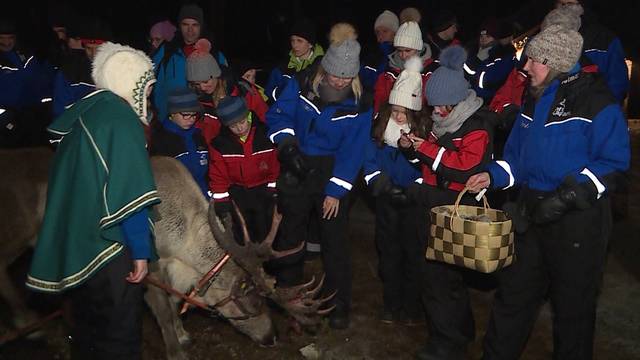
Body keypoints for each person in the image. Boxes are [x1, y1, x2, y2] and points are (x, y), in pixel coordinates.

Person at [466, 24, 630, 360]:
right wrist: (492, 176)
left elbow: (614, 164)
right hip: (530, 215)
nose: (525, 67)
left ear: (556, 62)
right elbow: (516, 158)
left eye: (534, 60)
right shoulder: (534, 97)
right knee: (512, 298)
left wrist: (567, 197)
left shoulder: (597, 101)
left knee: (573, 310)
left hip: (578, 222)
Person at [26, 42, 160, 359]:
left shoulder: (89, 114)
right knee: (120, 335)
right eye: (148, 88)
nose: (150, 98)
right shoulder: (122, 122)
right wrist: (140, 252)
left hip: (81, 247)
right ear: (132, 83)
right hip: (111, 249)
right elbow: (130, 192)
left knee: (87, 331)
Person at [267, 38, 372, 330]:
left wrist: (336, 191)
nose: (340, 81)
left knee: (334, 242)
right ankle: (288, 298)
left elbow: (354, 150)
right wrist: (287, 147)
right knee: (290, 236)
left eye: (347, 76)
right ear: (324, 69)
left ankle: (338, 305)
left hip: (332, 169)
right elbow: (278, 114)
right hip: (296, 163)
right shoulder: (301, 84)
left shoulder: (360, 102)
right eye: (335, 73)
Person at [398, 45, 493, 360]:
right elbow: (433, 164)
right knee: (446, 278)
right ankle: (459, 332)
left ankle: (447, 343)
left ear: (458, 101)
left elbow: (463, 167)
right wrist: (411, 149)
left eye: (443, 107)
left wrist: (424, 148)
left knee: (439, 279)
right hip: (437, 203)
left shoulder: (477, 125)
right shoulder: (446, 122)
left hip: (456, 207)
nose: (436, 112)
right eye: (434, 106)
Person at [363, 55, 427, 326]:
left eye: (405, 111)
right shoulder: (381, 130)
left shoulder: (424, 132)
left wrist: (415, 189)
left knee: (414, 255)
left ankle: (411, 307)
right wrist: (379, 183)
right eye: (395, 109)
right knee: (389, 254)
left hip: (413, 204)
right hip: (387, 202)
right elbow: (368, 160)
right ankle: (391, 304)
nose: (399, 116)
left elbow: (429, 169)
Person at [210, 96, 279, 242]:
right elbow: (218, 175)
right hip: (238, 194)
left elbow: (276, 167)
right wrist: (221, 200)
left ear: (248, 115)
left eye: (242, 122)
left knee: (266, 232)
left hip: (263, 193)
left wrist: (273, 190)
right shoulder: (220, 145)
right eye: (233, 126)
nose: (240, 128)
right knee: (241, 233)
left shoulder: (266, 137)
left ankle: (268, 263)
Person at [153, 3, 228, 122]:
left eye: (195, 25)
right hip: (168, 121)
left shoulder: (213, 53)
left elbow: (227, 81)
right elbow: (148, 78)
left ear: (201, 26)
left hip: (204, 123)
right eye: (185, 24)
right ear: (179, 26)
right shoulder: (167, 51)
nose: (190, 30)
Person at [556, 0, 629, 101]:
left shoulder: (604, 40)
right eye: (562, 4)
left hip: (591, 110)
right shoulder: (545, 37)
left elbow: (617, 86)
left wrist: (598, 110)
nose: (565, 8)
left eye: (570, 4)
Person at [149, 87, 209, 198]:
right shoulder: (161, 139)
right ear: (172, 113)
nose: (191, 119)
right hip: (177, 198)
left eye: (194, 115)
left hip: (202, 196)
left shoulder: (198, 136)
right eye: (186, 115)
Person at [373, 21, 437, 112]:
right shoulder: (389, 72)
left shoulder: (431, 71)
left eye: (408, 51)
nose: (403, 55)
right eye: (399, 50)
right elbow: (380, 100)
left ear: (418, 49)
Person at [265, 18, 324, 102]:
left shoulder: (323, 66)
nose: (295, 45)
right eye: (292, 40)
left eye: (300, 41)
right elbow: (269, 92)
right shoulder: (283, 67)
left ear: (310, 44)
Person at [464, 18, 515, 103]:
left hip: (488, 100)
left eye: (488, 36)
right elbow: (465, 73)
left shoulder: (501, 55)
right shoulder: (473, 51)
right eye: (481, 36)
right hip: (470, 96)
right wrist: (477, 59)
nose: (483, 39)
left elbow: (487, 81)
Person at [360, 10, 399, 90]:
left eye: (385, 31)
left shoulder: (403, 54)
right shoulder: (370, 55)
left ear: (395, 33)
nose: (381, 36)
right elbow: (362, 81)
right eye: (377, 32)